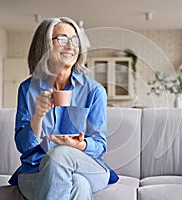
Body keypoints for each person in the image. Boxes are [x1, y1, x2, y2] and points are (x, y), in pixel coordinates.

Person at [9, 17, 119, 200]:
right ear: (44, 45)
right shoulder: (27, 89)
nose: (70, 46)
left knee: (59, 154)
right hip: (35, 172)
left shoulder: (94, 91)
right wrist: (38, 116)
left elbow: (100, 145)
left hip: (86, 166)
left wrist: (79, 145)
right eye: (61, 39)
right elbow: (23, 146)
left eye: (75, 40)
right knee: (79, 185)